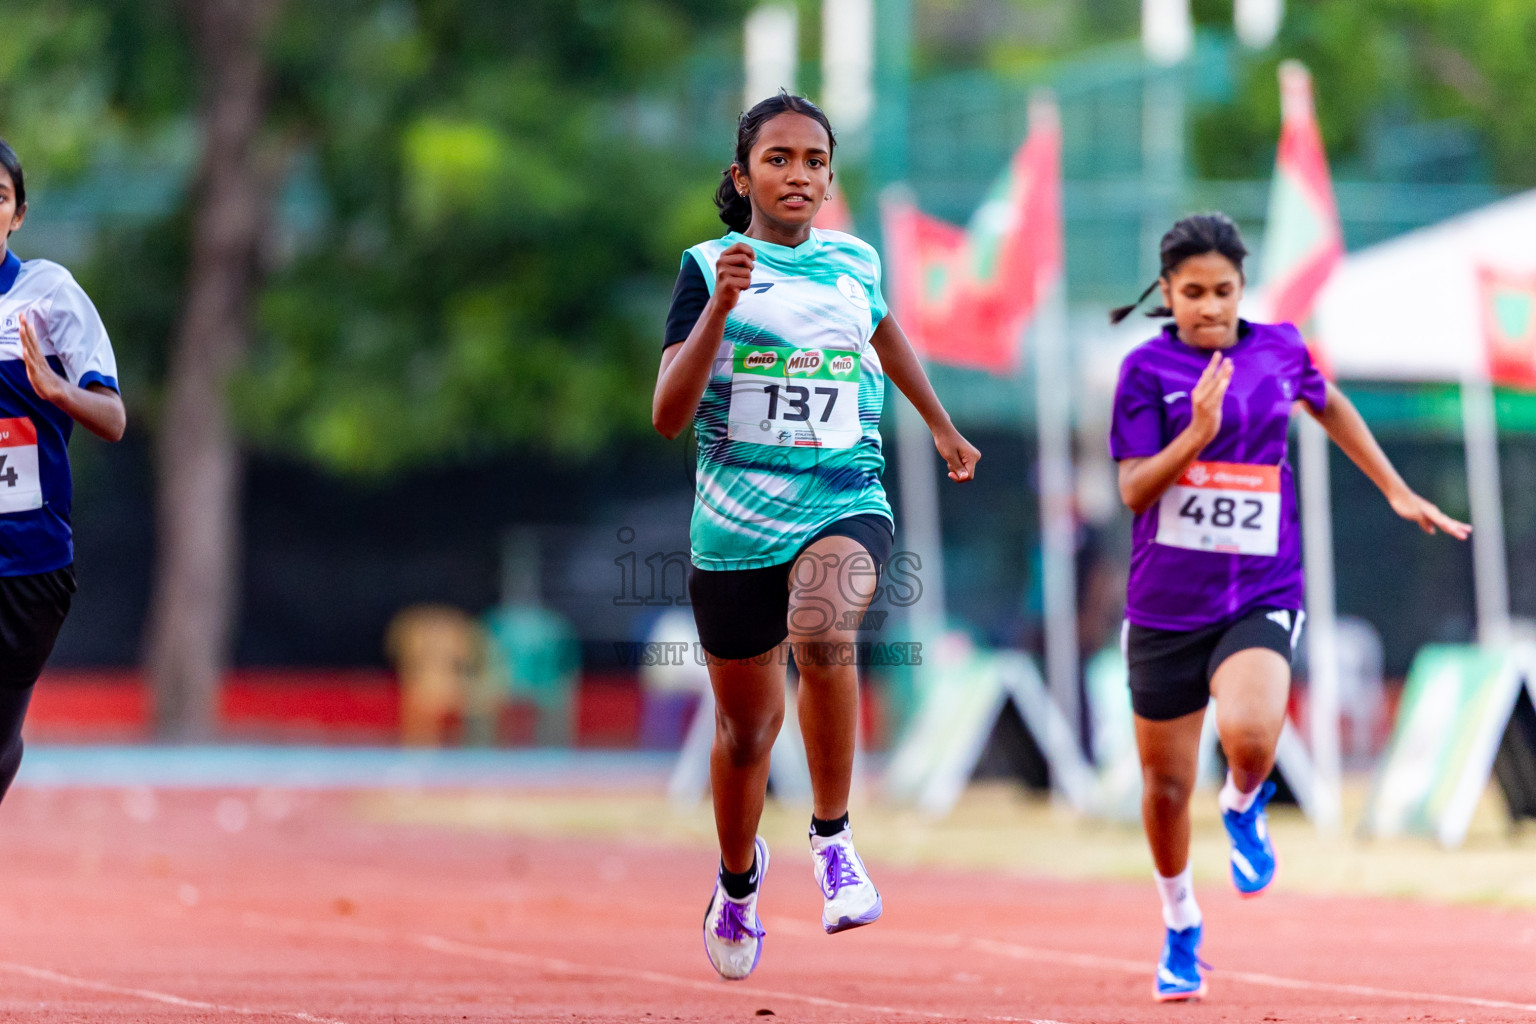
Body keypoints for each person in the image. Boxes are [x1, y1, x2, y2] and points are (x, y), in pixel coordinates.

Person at [653, 92, 980, 981]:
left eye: (814, 160)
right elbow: (665, 414)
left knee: (825, 630)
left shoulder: (853, 261)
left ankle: (833, 840)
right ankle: (737, 881)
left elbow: (887, 333)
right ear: (743, 175)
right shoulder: (706, 266)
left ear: (830, 178)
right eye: (779, 158)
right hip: (732, 530)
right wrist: (720, 309)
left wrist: (942, 425)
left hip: (843, 497)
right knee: (745, 733)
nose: (798, 174)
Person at [1107, 212, 1468, 1002]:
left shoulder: (1278, 350)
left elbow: (1330, 403)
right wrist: (1194, 435)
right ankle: (1179, 924)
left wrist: (1396, 487)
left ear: (1244, 288)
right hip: (1166, 607)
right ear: (1167, 294)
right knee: (1165, 789)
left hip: (1261, 589)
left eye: (1224, 291)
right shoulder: (1144, 372)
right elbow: (1134, 490)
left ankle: (1244, 803)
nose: (1210, 307)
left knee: (1249, 740)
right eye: (1193, 293)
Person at [0, 139, 127, 799]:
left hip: (28, 564)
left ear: (18, 213)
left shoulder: (48, 294)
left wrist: (55, 391)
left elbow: (112, 419)